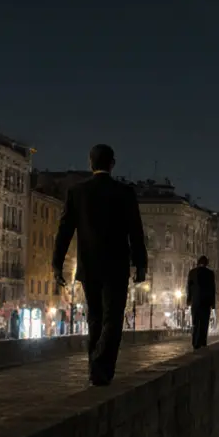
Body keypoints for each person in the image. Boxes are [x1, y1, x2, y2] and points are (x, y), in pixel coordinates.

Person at [53, 144, 148, 387]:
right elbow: (136, 232)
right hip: (116, 266)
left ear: (90, 163)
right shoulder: (124, 192)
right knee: (113, 318)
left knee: (95, 318)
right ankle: (101, 366)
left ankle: (96, 367)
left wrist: (57, 264)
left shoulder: (77, 192)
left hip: (89, 266)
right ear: (112, 164)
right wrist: (140, 264)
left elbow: (64, 231)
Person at [186, 256, 216, 350]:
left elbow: (189, 287)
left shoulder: (192, 272)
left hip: (195, 301)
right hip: (206, 302)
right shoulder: (210, 273)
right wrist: (213, 303)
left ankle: (195, 342)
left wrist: (189, 299)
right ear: (206, 263)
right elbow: (212, 289)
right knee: (204, 323)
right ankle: (202, 341)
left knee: (195, 322)